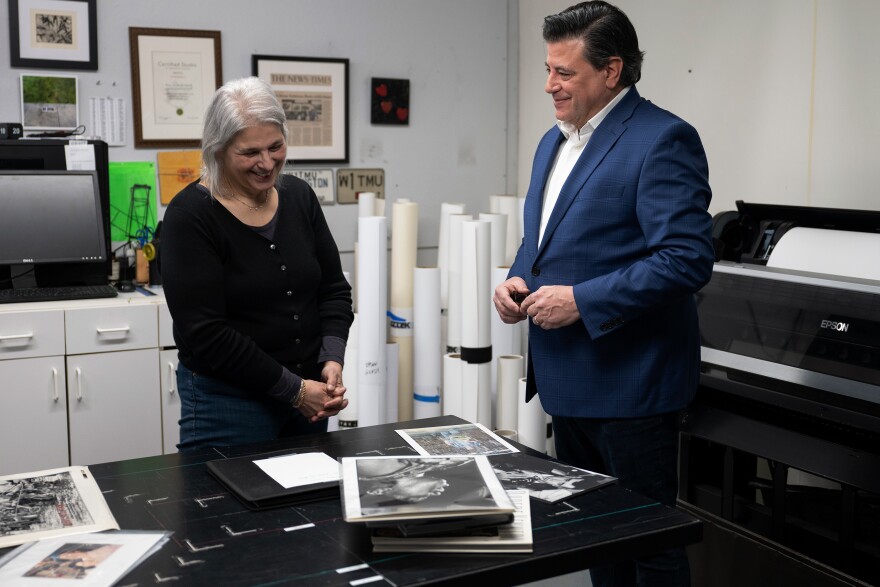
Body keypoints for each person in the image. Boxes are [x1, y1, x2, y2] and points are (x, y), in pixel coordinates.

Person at [493, 3, 714, 585]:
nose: (549, 85)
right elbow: (541, 242)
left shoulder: (663, 139)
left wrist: (582, 301)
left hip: (632, 386)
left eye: (564, 73)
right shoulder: (552, 142)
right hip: (567, 381)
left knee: (647, 544)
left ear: (612, 70)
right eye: (548, 69)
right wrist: (519, 278)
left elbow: (687, 258)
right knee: (596, 537)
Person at [161, 77, 353, 451]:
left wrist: (331, 360)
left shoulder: (298, 196)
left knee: (309, 504)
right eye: (250, 153)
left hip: (310, 398)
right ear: (218, 150)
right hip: (228, 405)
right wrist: (295, 390)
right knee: (222, 507)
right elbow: (207, 333)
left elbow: (332, 290)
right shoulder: (191, 216)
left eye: (276, 146)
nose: (267, 163)